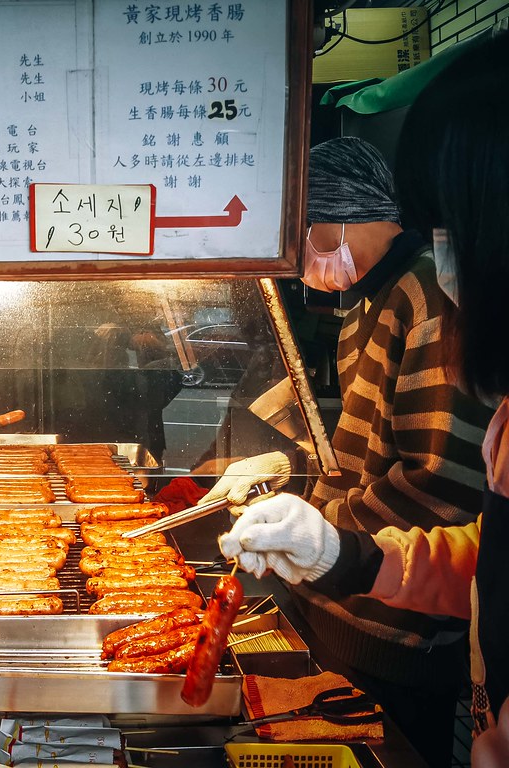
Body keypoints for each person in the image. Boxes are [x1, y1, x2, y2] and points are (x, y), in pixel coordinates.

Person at [218, 33, 509, 768]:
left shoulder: (427, 298)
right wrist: (323, 538)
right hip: (363, 600)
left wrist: (330, 534)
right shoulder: (365, 301)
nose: (304, 262)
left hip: (397, 636)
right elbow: (488, 546)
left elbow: (438, 482)